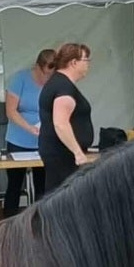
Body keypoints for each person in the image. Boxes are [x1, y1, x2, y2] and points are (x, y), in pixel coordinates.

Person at [2, 48, 55, 216]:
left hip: (43, 141)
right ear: (38, 67)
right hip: (18, 140)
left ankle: (41, 223)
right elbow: (11, 111)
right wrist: (29, 128)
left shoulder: (54, 83)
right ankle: (9, 223)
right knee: (15, 185)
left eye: (51, 75)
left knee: (43, 185)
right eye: (46, 74)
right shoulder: (20, 79)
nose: (48, 79)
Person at [38, 43, 94, 192]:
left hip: (60, 153)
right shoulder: (63, 87)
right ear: (74, 63)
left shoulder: (59, 83)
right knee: (65, 198)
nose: (88, 64)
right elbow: (60, 123)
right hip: (63, 155)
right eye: (86, 60)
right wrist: (78, 153)